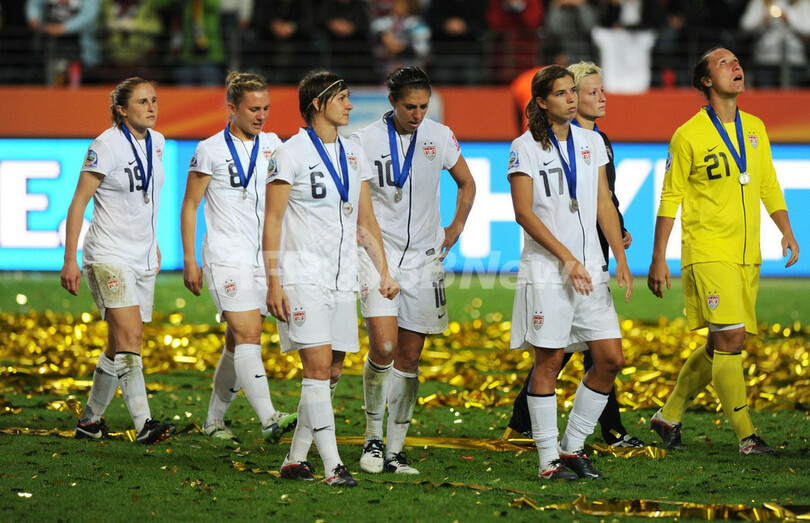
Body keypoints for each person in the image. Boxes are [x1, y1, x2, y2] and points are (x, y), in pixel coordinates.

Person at [647, 47, 800, 455]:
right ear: (706, 81)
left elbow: (767, 182)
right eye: (723, 63)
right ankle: (747, 437)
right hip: (708, 250)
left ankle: (668, 416)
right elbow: (670, 196)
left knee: (723, 344)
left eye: (736, 61)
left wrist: (785, 230)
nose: (736, 66)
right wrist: (658, 256)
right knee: (730, 339)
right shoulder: (688, 135)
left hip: (747, 254)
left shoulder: (755, 127)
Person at [264, 70, 400, 487]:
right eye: (342, 97)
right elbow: (271, 219)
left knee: (333, 371)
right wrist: (272, 281)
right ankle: (333, 466)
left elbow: (366, 218)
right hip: (302, 276)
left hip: (343, 278)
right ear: (319, 104)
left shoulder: (352, 152)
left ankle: (294, 459)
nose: (350, 105)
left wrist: (383, 270)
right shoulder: (289, 153)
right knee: (318, 368)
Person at [505, 61, 643, 449]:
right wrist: (567, 258)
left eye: (572, 91)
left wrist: (620, 258)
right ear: (542, 103)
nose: (570, 99)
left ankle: (572, 445)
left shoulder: (593, 142)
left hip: (592, 271)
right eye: (561, 93)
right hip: (550, 271)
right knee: (548, 363)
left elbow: (604, 203)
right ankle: (550, 459)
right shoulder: (524, 147)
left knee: (611, 358)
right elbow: (523, 212)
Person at [350, 66, 476, 475]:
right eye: (409, 107)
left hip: (424, 259)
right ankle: (371, 439)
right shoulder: (365, 140)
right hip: (378, 258)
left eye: (423, 106)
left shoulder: (440, 136)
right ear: (392, 102)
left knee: (409, 357)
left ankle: (396, 450)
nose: (417, 114)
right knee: (383, 349)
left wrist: (455, 227)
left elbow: (467, 183)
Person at [180, 72, 297, 444]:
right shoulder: (209, 149)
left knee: (236, 341)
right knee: (249, 333)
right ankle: (269, 418)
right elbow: (190, 206)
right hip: (225, 256)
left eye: (265, 108)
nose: (261, 116)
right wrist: (189, 259)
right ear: (232, 108)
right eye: (252, 109)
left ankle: (214, 420)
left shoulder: (275, 144)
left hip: (264, 260)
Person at [61, 77, 175, 445]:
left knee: (117, 344)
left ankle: (89, 421)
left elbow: (147, 200)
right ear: (122, 110)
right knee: (132, 335)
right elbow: (78, 202)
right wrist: (70, 259)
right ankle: (144, 424)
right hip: (108, 255)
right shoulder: (105, 145)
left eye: (154, 100)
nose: (152, 107)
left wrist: (153, 243)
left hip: (142, 257)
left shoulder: (157, 143)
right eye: (142, 102)